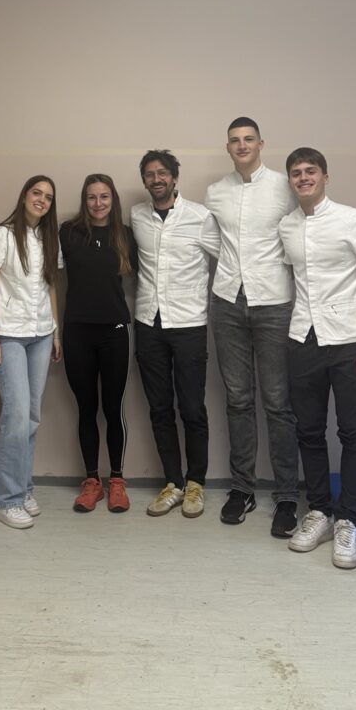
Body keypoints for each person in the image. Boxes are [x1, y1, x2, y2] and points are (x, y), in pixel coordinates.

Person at [279, 148, 356, 570]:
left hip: (349, 340)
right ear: (290, 181)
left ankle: (348, 519)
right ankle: (320, 511)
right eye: (296, 173)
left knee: (354, 432)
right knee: (308, 430)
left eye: (311, 171)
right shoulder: (287, 226)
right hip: (303, 338)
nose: (303, 177)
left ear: (326, 176)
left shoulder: (354, 220)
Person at [205, 117, 299, 537]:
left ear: (261, 143)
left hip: (274, 302)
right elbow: (213, 241)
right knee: (238, 399)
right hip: (227, 301)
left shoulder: (283, 186)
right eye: (234, 140)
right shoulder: (216, 192)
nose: (241, 145)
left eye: (248, 139)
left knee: (278, 402)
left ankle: (287, 495)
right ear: (227, 147)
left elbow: (298, 235)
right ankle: (242, 489)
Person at [131, 150, 219, 519]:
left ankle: (196, 483)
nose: (157, 179)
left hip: (188, 325)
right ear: (145, 180)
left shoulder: (200, 216)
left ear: (174, 178)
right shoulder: (137, 216)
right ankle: (173, 483)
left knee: (192, 408)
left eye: (163, 173)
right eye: (150, 174)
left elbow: (227, 260)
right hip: (148, 323)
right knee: (159, 408)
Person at [0, 176, 63, 529]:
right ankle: (6, 500)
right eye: (36, 193)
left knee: (30, 417)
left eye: (48, 197)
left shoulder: (48, 237)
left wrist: (55, 330)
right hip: (10, 335)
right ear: (25, 195)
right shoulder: (2, 234)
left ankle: (24, 487)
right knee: (14, 417)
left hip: (41, 334)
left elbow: (50, 287)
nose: (41, 200)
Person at [60, 174, 137, 513]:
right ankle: (92, 481)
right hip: (77, 332)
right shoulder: (69, 233)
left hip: (114, 332)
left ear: (112, 199)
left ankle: (117, 480)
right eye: (91, 197)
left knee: (113, 408)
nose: (98, 203)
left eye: (104, 196)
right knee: (86, 409)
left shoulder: (125, 235)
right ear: (84, 200)